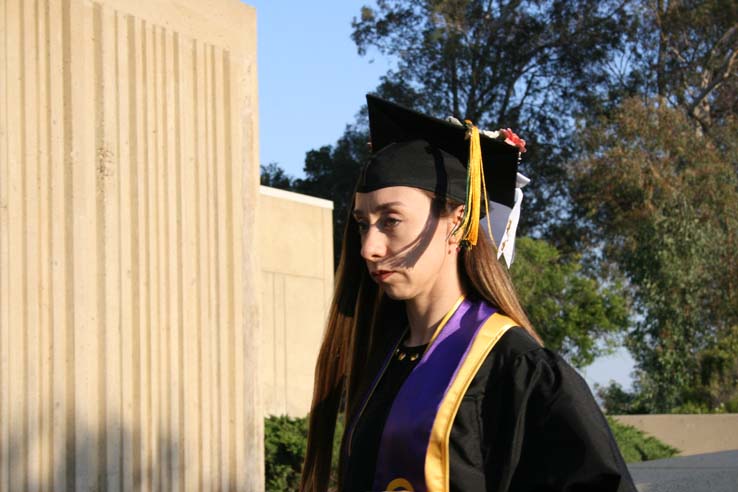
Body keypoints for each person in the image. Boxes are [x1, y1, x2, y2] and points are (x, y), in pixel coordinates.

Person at [299, 95, 637, 492]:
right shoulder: (379, 362)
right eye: (362, 224)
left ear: (457, 223)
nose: (368, 248)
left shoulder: (516, 368)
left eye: (391, 221)